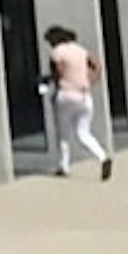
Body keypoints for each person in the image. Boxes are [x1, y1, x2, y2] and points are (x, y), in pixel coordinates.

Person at [41, 24, 112, 181]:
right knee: (83, 132)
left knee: (63, 133)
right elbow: (97, 66)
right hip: (84, 95)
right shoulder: (80, 50)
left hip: (66, 95)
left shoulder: (57, 52)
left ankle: (64, 166)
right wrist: (90, 82)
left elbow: (57, 72)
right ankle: (103, 156)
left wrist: (50, 85)